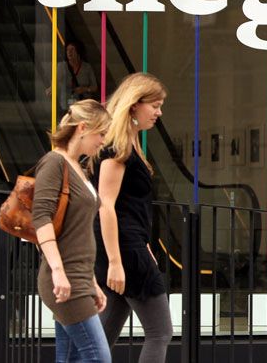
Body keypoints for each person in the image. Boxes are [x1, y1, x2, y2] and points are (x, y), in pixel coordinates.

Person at [94, 73, 172, 362]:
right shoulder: (119, 149)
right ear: (134, 105)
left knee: (107, 329)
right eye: (155, 105)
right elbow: (106, 205)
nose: (159, 112)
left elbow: (126, 206)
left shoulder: (127, 144)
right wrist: (116, 261)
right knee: (160, 332)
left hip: (126, 247)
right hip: (125, 251)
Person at [32, 100, 112, 363]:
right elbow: (41, 216)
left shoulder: (79, 167)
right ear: (82, 128)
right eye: (101, 133)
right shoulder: (54, 162)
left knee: (70, 358)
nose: (103, 141)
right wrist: (58, 272)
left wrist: (92, 283)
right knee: (98, 357)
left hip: (79, 278)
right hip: (64, 280)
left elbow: (79, 234)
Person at [48, 42, 99, 112]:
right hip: (66, 105)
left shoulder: (87, 67)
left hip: (83, 106)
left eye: (72, 49)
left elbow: (95, 87)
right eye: (67, 50)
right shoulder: (61, 66)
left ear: (78, 52)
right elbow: (55, 83)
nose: (69, 52)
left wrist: (85, 89)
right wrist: (51, 89)